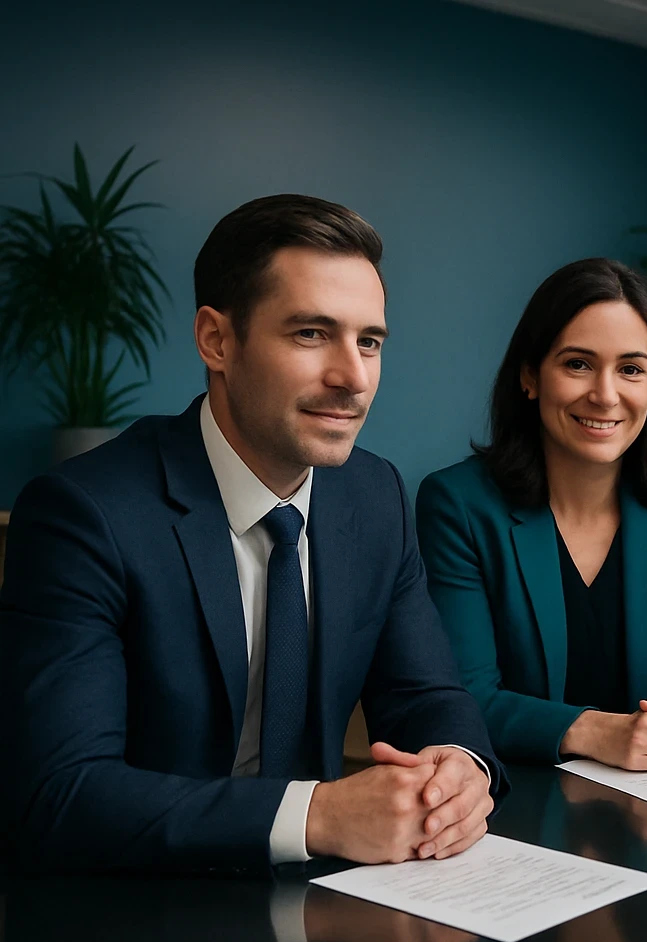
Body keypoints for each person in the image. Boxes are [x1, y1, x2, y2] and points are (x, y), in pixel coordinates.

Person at [0, 195, 505, 874]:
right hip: (137, 917)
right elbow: (61, 793)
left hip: (331, 900)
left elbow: (424, 695)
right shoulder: (85, 515)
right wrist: (319, 815)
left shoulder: (374, 495)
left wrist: (460, 771)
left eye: (370, 342)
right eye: (310, 334)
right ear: (216, 340)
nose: (353, 377)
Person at [416, 257, 647, 769]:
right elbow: (462, 697)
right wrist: (593, 730)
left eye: (630, 369)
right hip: (508, 798)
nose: (605, 395)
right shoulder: (458, 504)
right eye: (577, 363)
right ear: (531, 376)